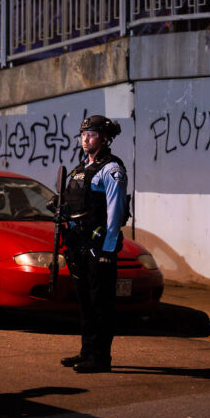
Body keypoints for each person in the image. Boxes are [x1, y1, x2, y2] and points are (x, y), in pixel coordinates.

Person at [59, 114, 128, 373]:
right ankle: (86, 352)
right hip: (77, 244)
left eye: (92, 134)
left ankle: (100, 358)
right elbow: (77, 203)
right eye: (83, 134)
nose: (85, 139)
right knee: (85, 302)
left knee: (101, 303)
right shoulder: (80, 168)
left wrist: (108, 251)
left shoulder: (111, 169)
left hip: (98, 247)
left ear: (105, 138)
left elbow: (115, 213)